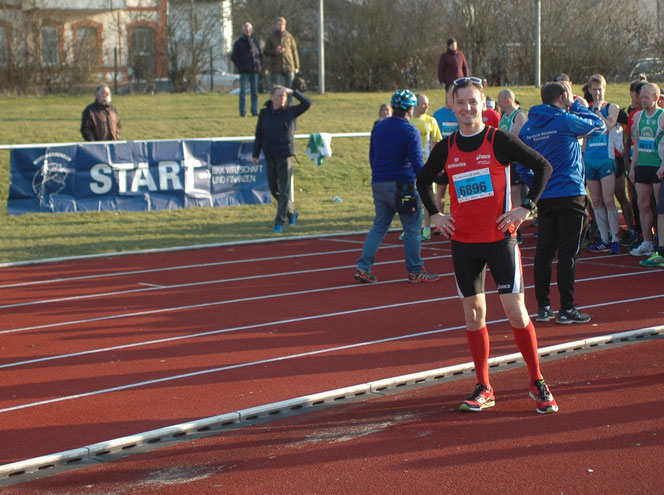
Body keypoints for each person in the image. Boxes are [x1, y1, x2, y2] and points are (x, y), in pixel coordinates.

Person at [416, 76, 556, 415]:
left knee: (515, 310)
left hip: (500, 241)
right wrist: (435, 214)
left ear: (483, 105)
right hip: (464, 244)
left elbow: (542, 166)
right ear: (452, 105)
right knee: (473, 314)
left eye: (472, 102)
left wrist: (526, 208)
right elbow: (422, 180)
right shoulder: (446, 147)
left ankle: (537, 380)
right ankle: (484, 386)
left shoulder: (499, 140)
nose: (466, 108)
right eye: (460, 102)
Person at [519, 81, 606, 325]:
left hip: (545, 196)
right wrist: (577, 104)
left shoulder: (527, 128)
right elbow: (599, 126)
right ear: (563, 96)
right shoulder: (565, 120)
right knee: (568, 253)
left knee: (544, 252)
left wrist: (537, 184)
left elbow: (520, 164)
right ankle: (567, 309)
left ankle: (543, 307)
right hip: (570, 192)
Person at [355, 89, 439, 285]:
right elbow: (418, 164)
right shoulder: (410, 131)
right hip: (402, 184)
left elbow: (372, 156)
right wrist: (430, 176)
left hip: (379, 182)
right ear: (410, 109)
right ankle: (416, 270)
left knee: (379, 226)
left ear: (393, 108)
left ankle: (363, 268)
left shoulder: (379, 127)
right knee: (412, 228)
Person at [253, 85, 311, 233]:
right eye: (279, 95)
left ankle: (279, 222)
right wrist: (256, 153)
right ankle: (292, 212)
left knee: (284, 190)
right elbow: (259, 134)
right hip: (270, 154)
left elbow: (307, 103)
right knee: (274, 189)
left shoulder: (291, 111)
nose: (282, 98)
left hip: (285, 154)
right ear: (272, 97)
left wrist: (294, 91)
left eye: (284, 96)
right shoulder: (264, 113)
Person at [584, 74, 623, 255]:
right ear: (590, 91)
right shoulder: (586, 109)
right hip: (590, 158)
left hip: (606, 159)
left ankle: (615, 238)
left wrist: (599, 111)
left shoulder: (611, 107)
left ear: (604, 89)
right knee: (597, 200)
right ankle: (604, 238)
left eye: (600, 89)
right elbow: (583, 135)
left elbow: (608, 126)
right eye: (594, 89)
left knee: (608, 200)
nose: (597, 93)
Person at [629, 82, 664, 257]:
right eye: (641, 97)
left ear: (656, 98)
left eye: (646, 97)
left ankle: (661, 240)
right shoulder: (637, 117)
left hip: (658, 166)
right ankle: (647, 241)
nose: (642, 100)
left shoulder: (662, 116)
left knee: (660, 206)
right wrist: (633, 167)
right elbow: (636, 145)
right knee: (642, 204)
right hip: (642, 165)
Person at [408, 93, 442, 241]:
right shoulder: (408, 120)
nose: (427, 106)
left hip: (426, 166)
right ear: (415, 104)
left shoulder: (431, 121)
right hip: (409, 166)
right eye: (424, 104)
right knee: (410, 198)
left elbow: (435, 143)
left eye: (428, 104)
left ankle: (427, 228)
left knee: (428, 197)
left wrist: (436, 164)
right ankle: (409, 228)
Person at [497, 88, 528, 243]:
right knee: (513, 195)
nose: (498, 104)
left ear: (508, 100)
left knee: (517, 195)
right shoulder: (503, 116)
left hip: (518, 162)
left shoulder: (519, 116)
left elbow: (516, 140)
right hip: (508, 162)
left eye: (500, 101)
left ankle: (518, 230)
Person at [264, 17, 300, 103]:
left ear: (285, 25)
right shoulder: (271, 37)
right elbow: (266, 52)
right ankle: (276, 107)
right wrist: (275, 51)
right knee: (276, 90)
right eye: (279, 24)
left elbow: (294, 50)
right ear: (276, 25)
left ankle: (289, 107)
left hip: (289, 66)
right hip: (276, 67)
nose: (281, 26)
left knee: (290, 89)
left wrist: (297, 66)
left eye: (282, 24)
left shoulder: (289, 36)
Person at [231, 21, 263, 118]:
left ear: (252, 30)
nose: (247, 30)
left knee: (254, 93)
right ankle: (242, 112)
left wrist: (260, 65)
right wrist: (240, 66)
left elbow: (259, 55)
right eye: (246, 28)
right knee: (243, 93)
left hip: (254, 70)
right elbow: (233, 56)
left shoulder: (255, 41)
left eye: (249, 29)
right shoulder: (238, 42)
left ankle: (254, 111)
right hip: (244, 71)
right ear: (242, 30)